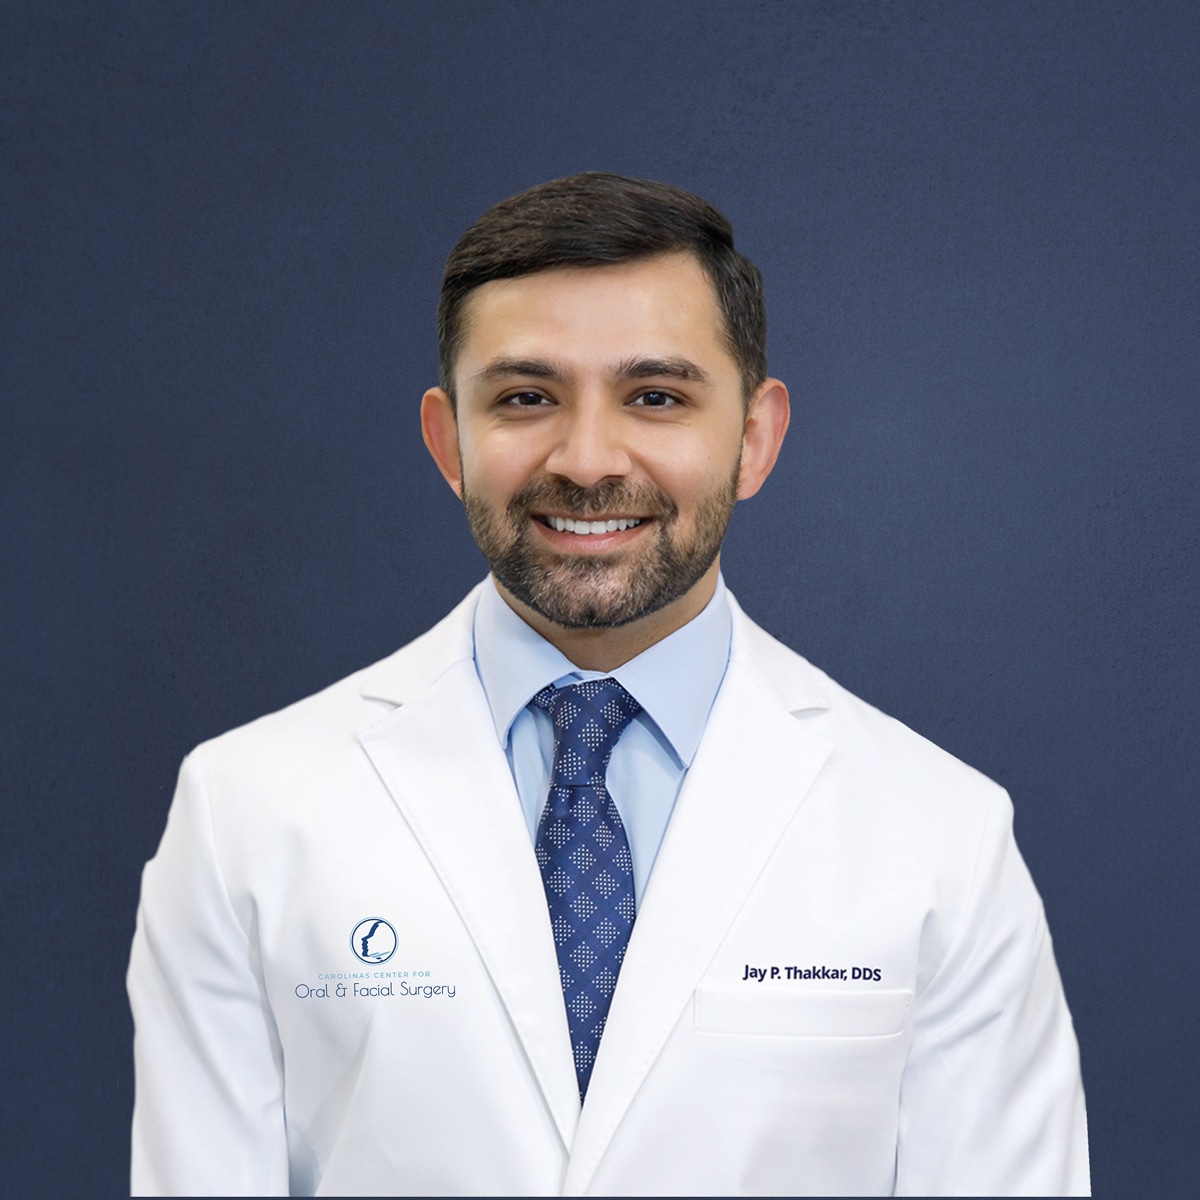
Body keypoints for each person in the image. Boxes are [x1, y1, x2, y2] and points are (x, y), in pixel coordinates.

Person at [127, 172, 1089, 1196]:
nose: (587, 460)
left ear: (755, 438)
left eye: (657, 397)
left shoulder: (940, 833)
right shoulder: (245, 809)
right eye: (527, 397)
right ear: (449, 439)